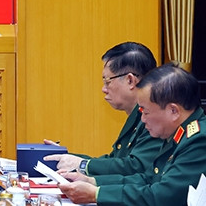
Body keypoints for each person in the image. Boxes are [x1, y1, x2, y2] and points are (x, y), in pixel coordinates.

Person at [59, 63, 206, 205]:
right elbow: (148, 179)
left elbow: (162, 196)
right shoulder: (180, 133)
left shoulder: (199, 140)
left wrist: (97, 194)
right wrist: (93, 182)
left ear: (173, 111)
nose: (143, 119)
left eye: (146, 112)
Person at [44, 42, 162, 176]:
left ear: (130, 80)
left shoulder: (154, 118)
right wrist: (65, 157)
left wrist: (83, 165)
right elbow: (114, 161)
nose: (104, 89)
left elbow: (134, 167)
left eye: (107, 81)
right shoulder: (137, 116)